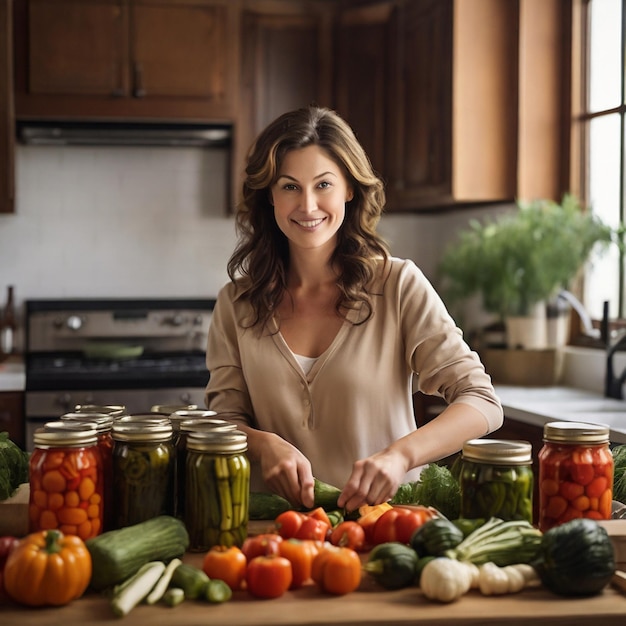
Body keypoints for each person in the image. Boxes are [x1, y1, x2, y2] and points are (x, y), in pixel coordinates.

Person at [205, 105, 503, 512]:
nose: (308, 205)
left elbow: (482, 400)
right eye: (290, 186)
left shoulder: (398, 285)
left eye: (323, 184)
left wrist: (401, 456)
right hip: (278, 537)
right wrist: (262, 444)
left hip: (389, 528)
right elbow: (223, 420)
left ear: (349, 188)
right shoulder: (235, 304)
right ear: (269, 196)